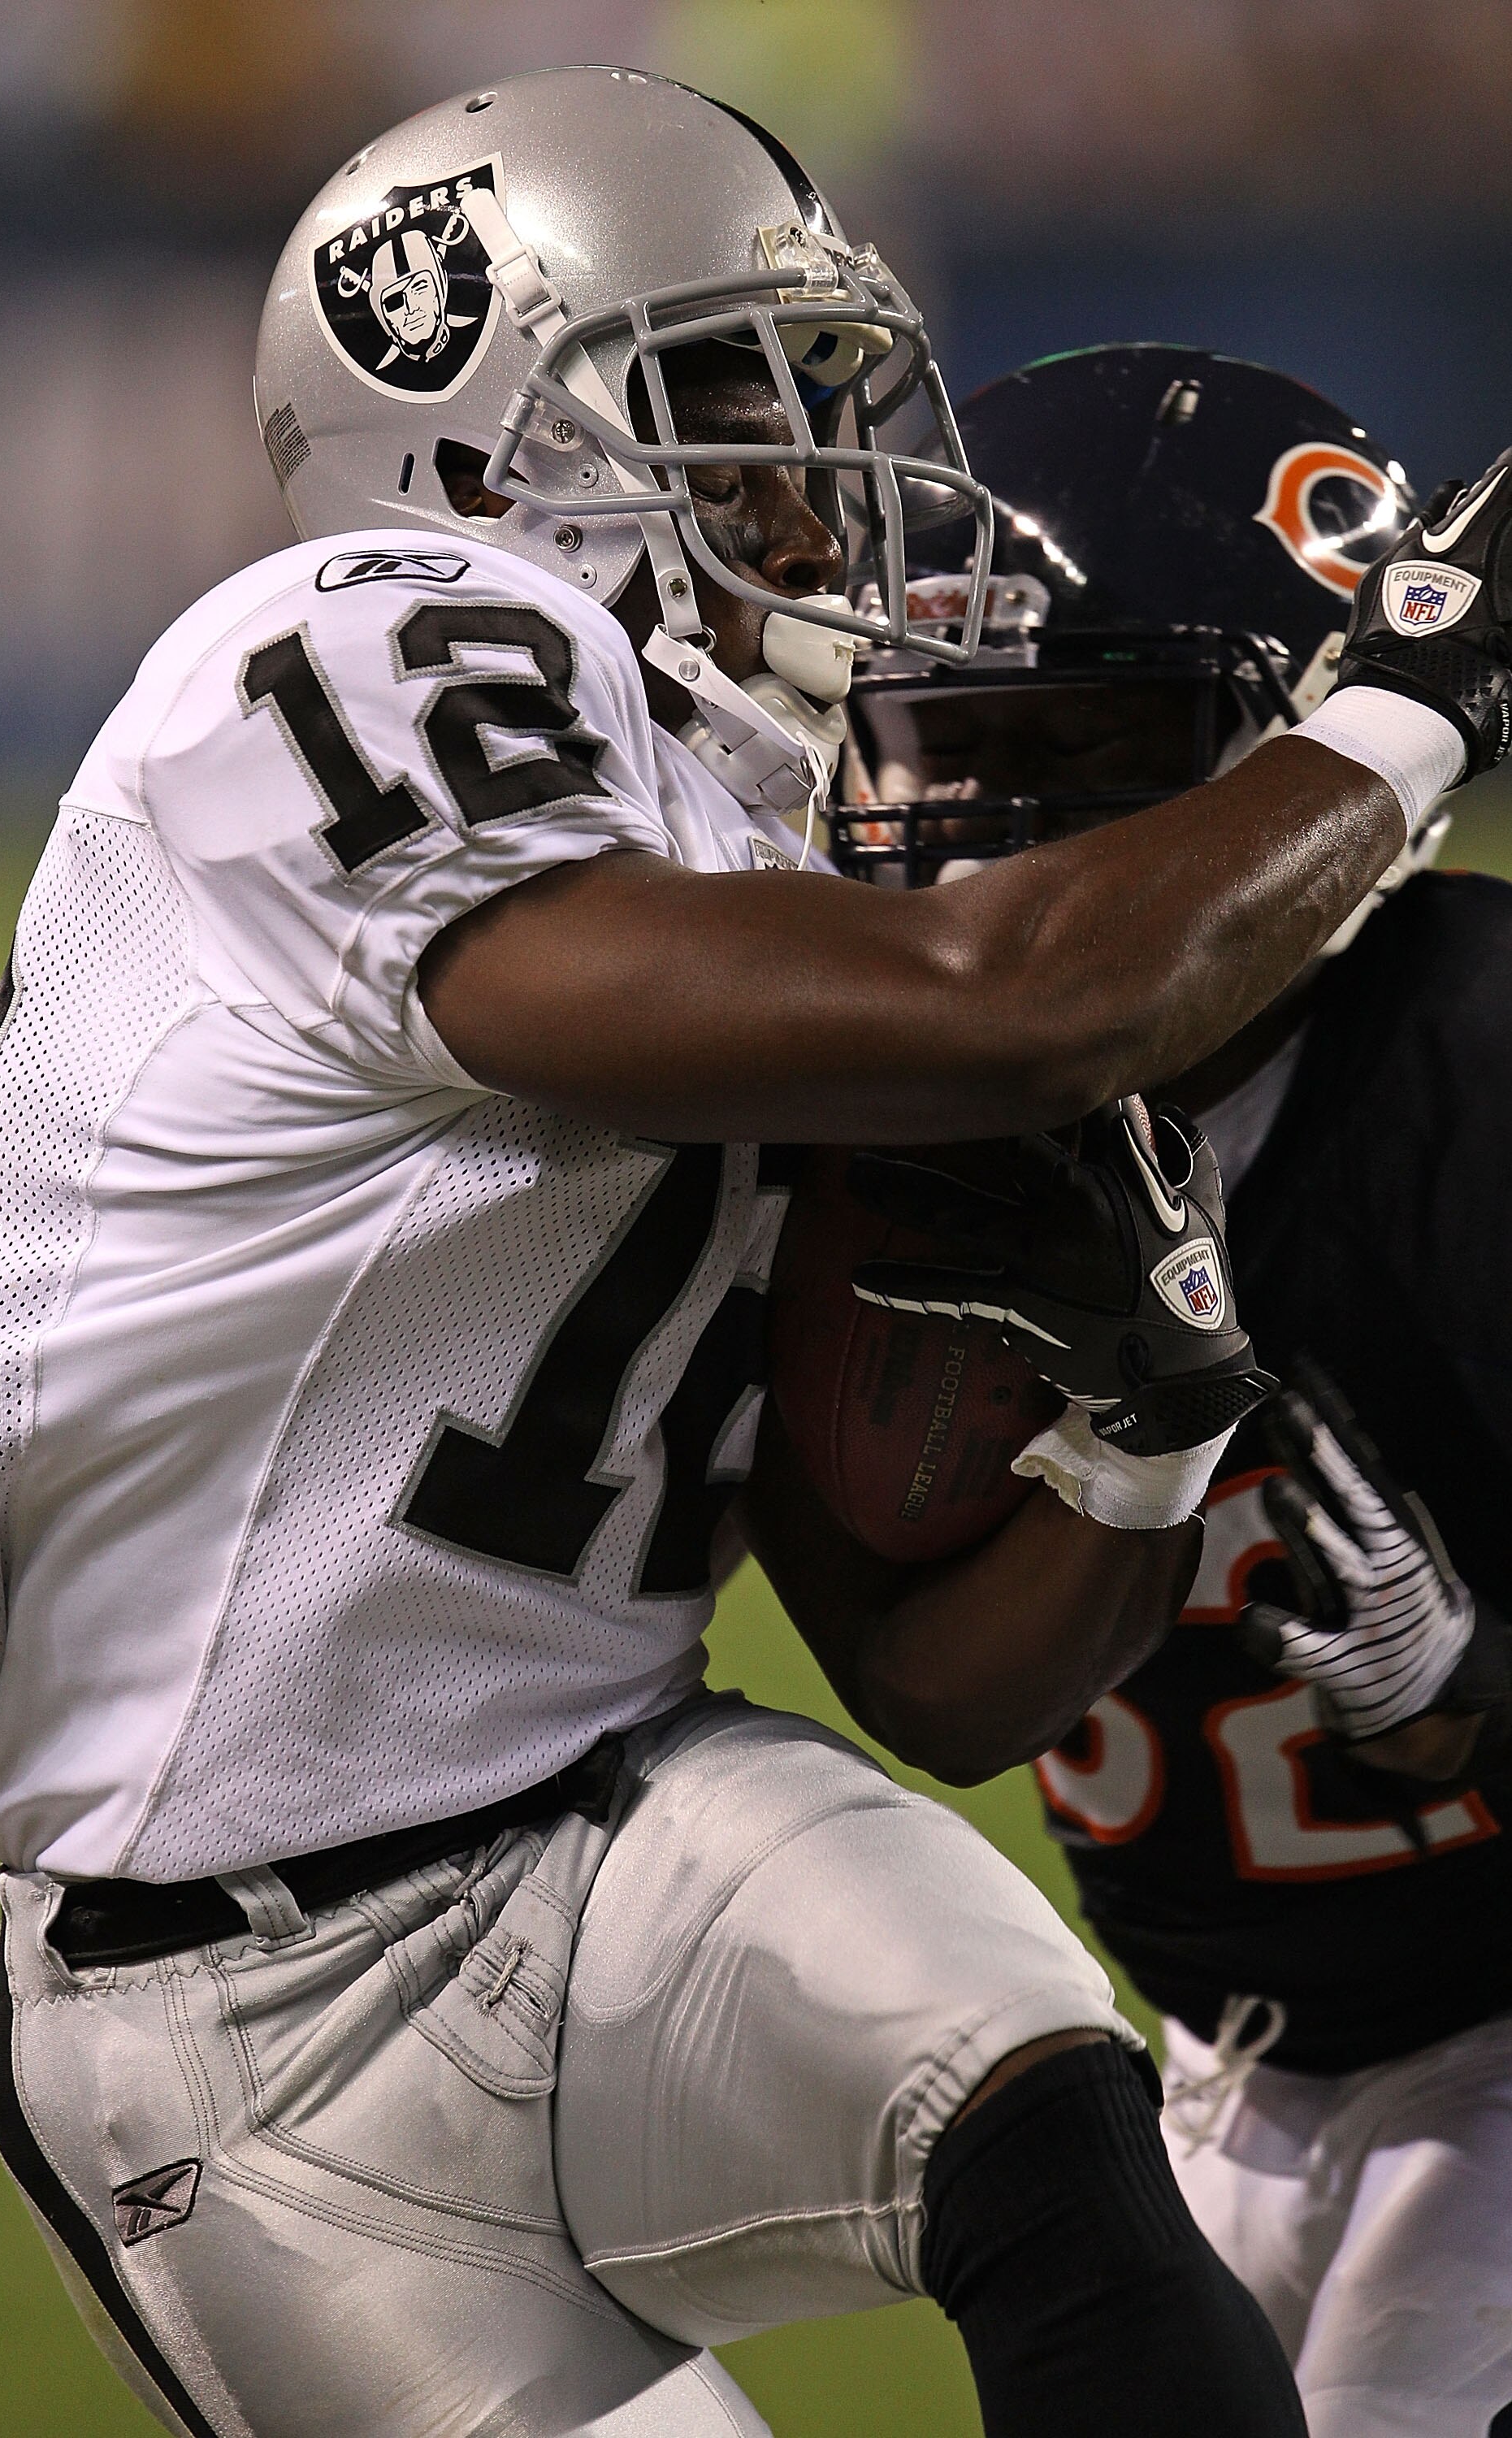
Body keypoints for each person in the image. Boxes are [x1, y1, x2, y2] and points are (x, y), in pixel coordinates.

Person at [0, 67, 1504, 2436]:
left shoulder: (763, 818)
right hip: (219, 2008)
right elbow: (1017, 1000)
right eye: (726, 394)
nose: (810, 480)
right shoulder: (347, 637)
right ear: (469, 432)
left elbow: (937, 1689)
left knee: (1049, 2131)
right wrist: (1411, 699)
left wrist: (1140, 1440)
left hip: (616, 1813)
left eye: (824, 395)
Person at [838, 341, 1512, 2438]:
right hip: (1218, 2056)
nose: (990, 835)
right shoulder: (863, 1112)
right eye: (948, 746)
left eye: (1091, 744)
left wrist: (1490, 1685)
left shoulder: (1472, 1072)